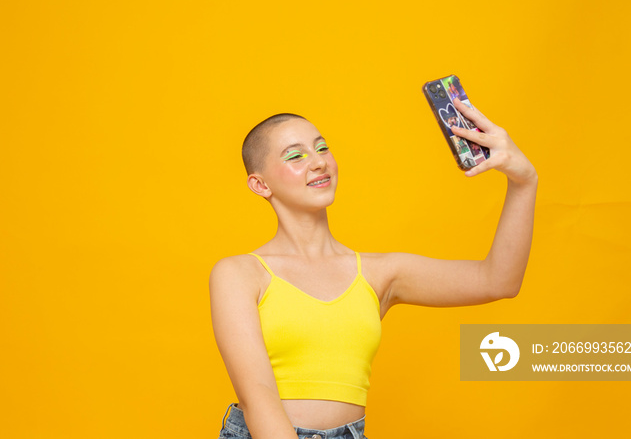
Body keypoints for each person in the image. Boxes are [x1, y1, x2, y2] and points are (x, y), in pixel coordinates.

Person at [209, 98, 538, 439]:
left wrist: (524, 180)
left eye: (322, 148)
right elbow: (257, 394)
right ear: (260, 185)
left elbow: (499, 281)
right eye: (296, 155)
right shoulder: (239, 273)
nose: (319, 162)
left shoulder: (379, 273)